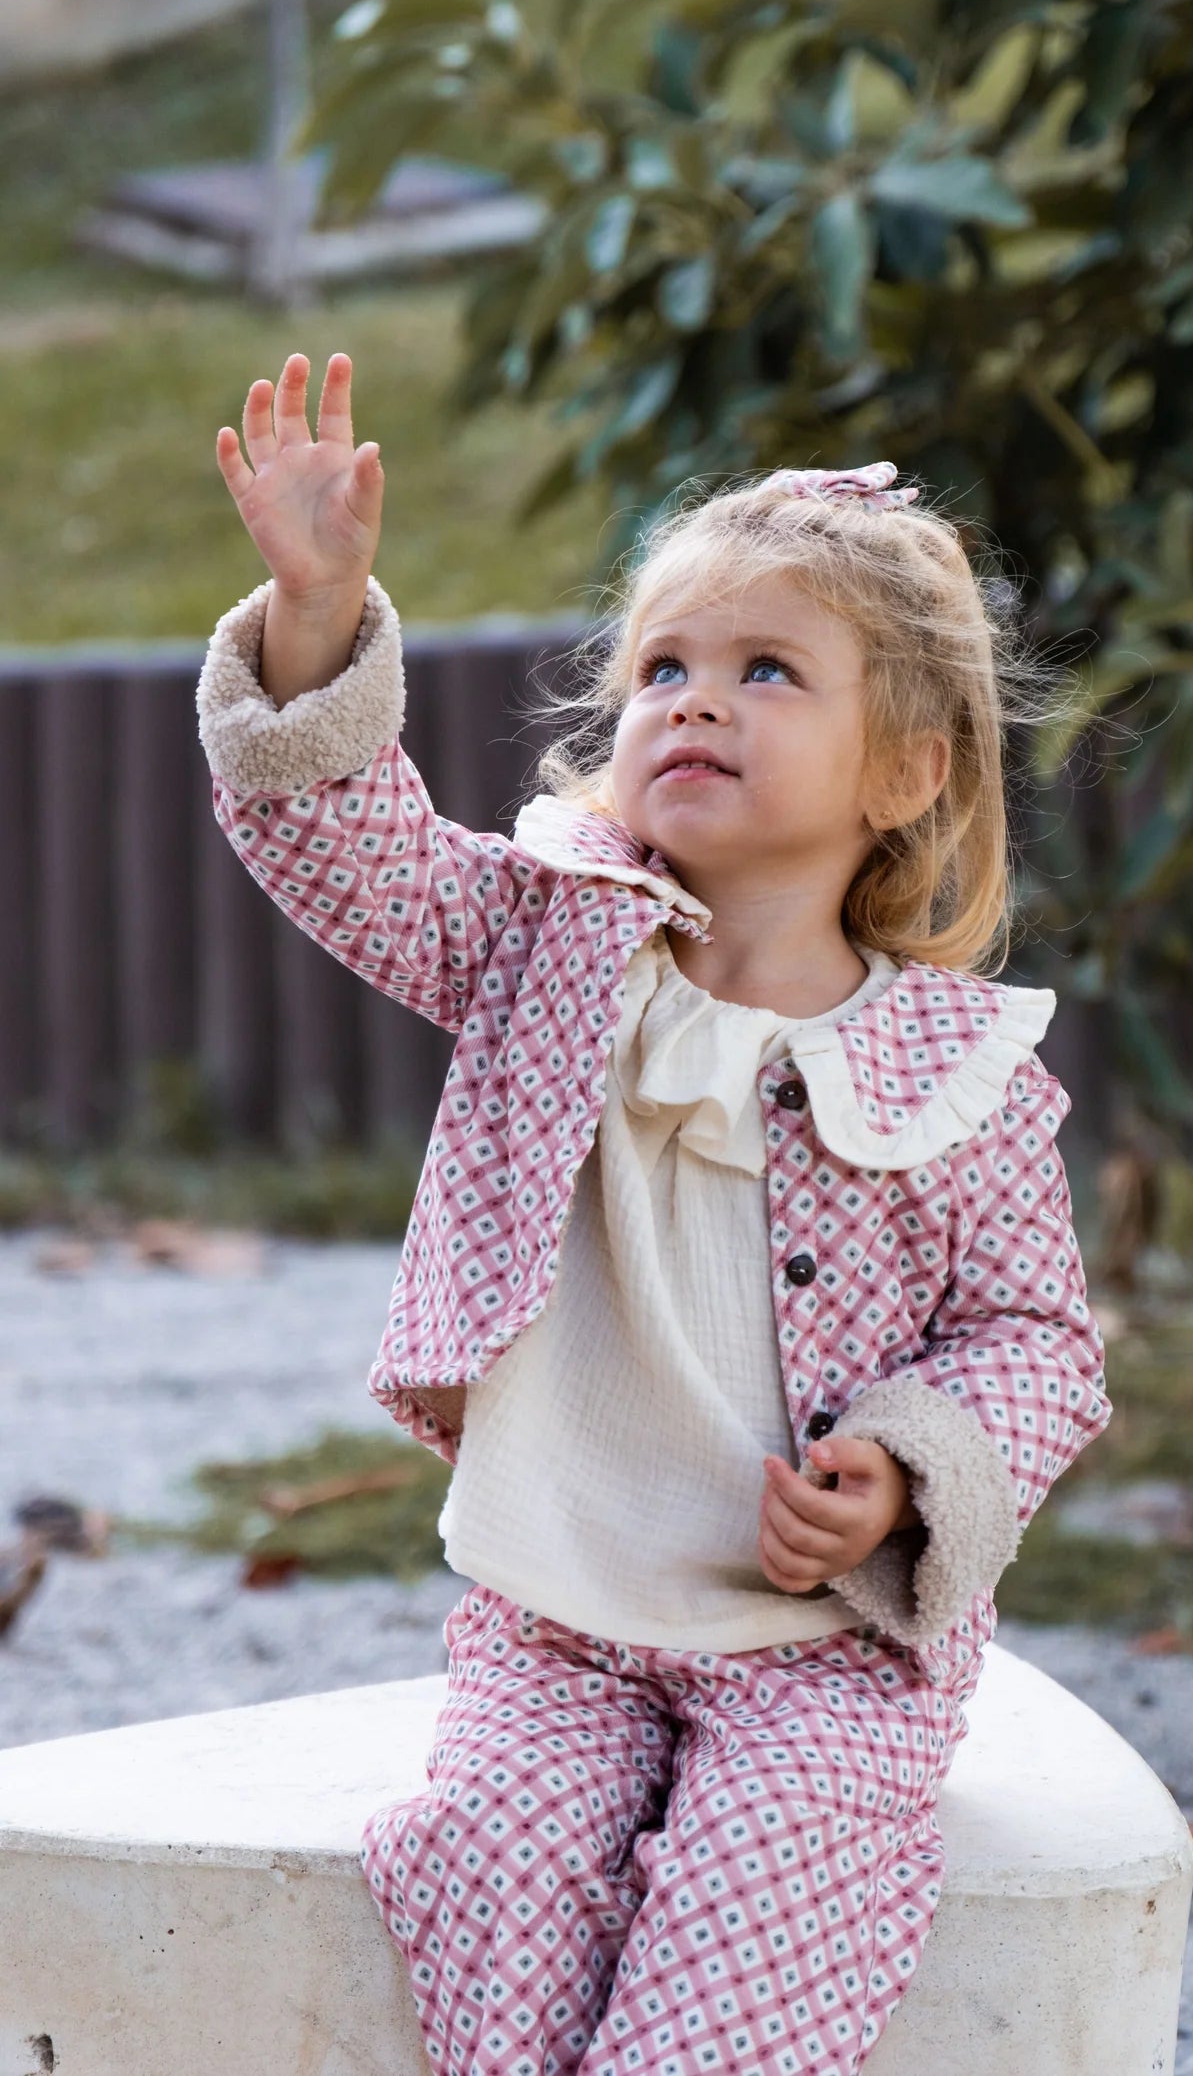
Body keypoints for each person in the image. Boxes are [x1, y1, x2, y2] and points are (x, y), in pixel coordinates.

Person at [198, 350, 1112, 2076]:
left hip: (825, 1653)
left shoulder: (956, 1069)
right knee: (493, 1880)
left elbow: (1038, 1342)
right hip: (555, 1610)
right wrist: (316, 617)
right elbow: (343, 848)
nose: (697, 697)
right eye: (665, 667)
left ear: (903, 774)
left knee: (762, 1940)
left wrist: (910, 1466)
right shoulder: (547, 942)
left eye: (769, 669)